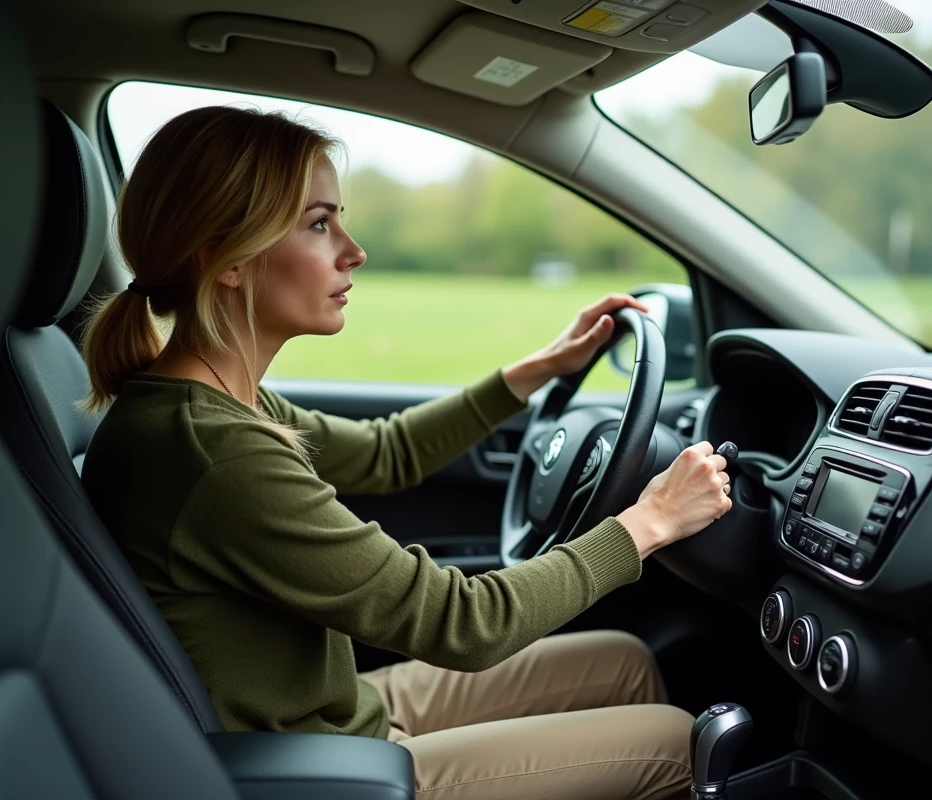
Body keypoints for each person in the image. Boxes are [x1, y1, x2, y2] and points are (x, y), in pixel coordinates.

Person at [80, 106, 733, 800]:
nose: (354, 251)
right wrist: (651, 521)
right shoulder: (213, 453)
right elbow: (466, 624)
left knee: (623, 661)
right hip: (323, 771)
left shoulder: (216, 401)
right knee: (672, 743)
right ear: (225, 258)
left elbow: (388, 453)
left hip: (333, 715)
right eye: (320, 223)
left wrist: (539, 368)